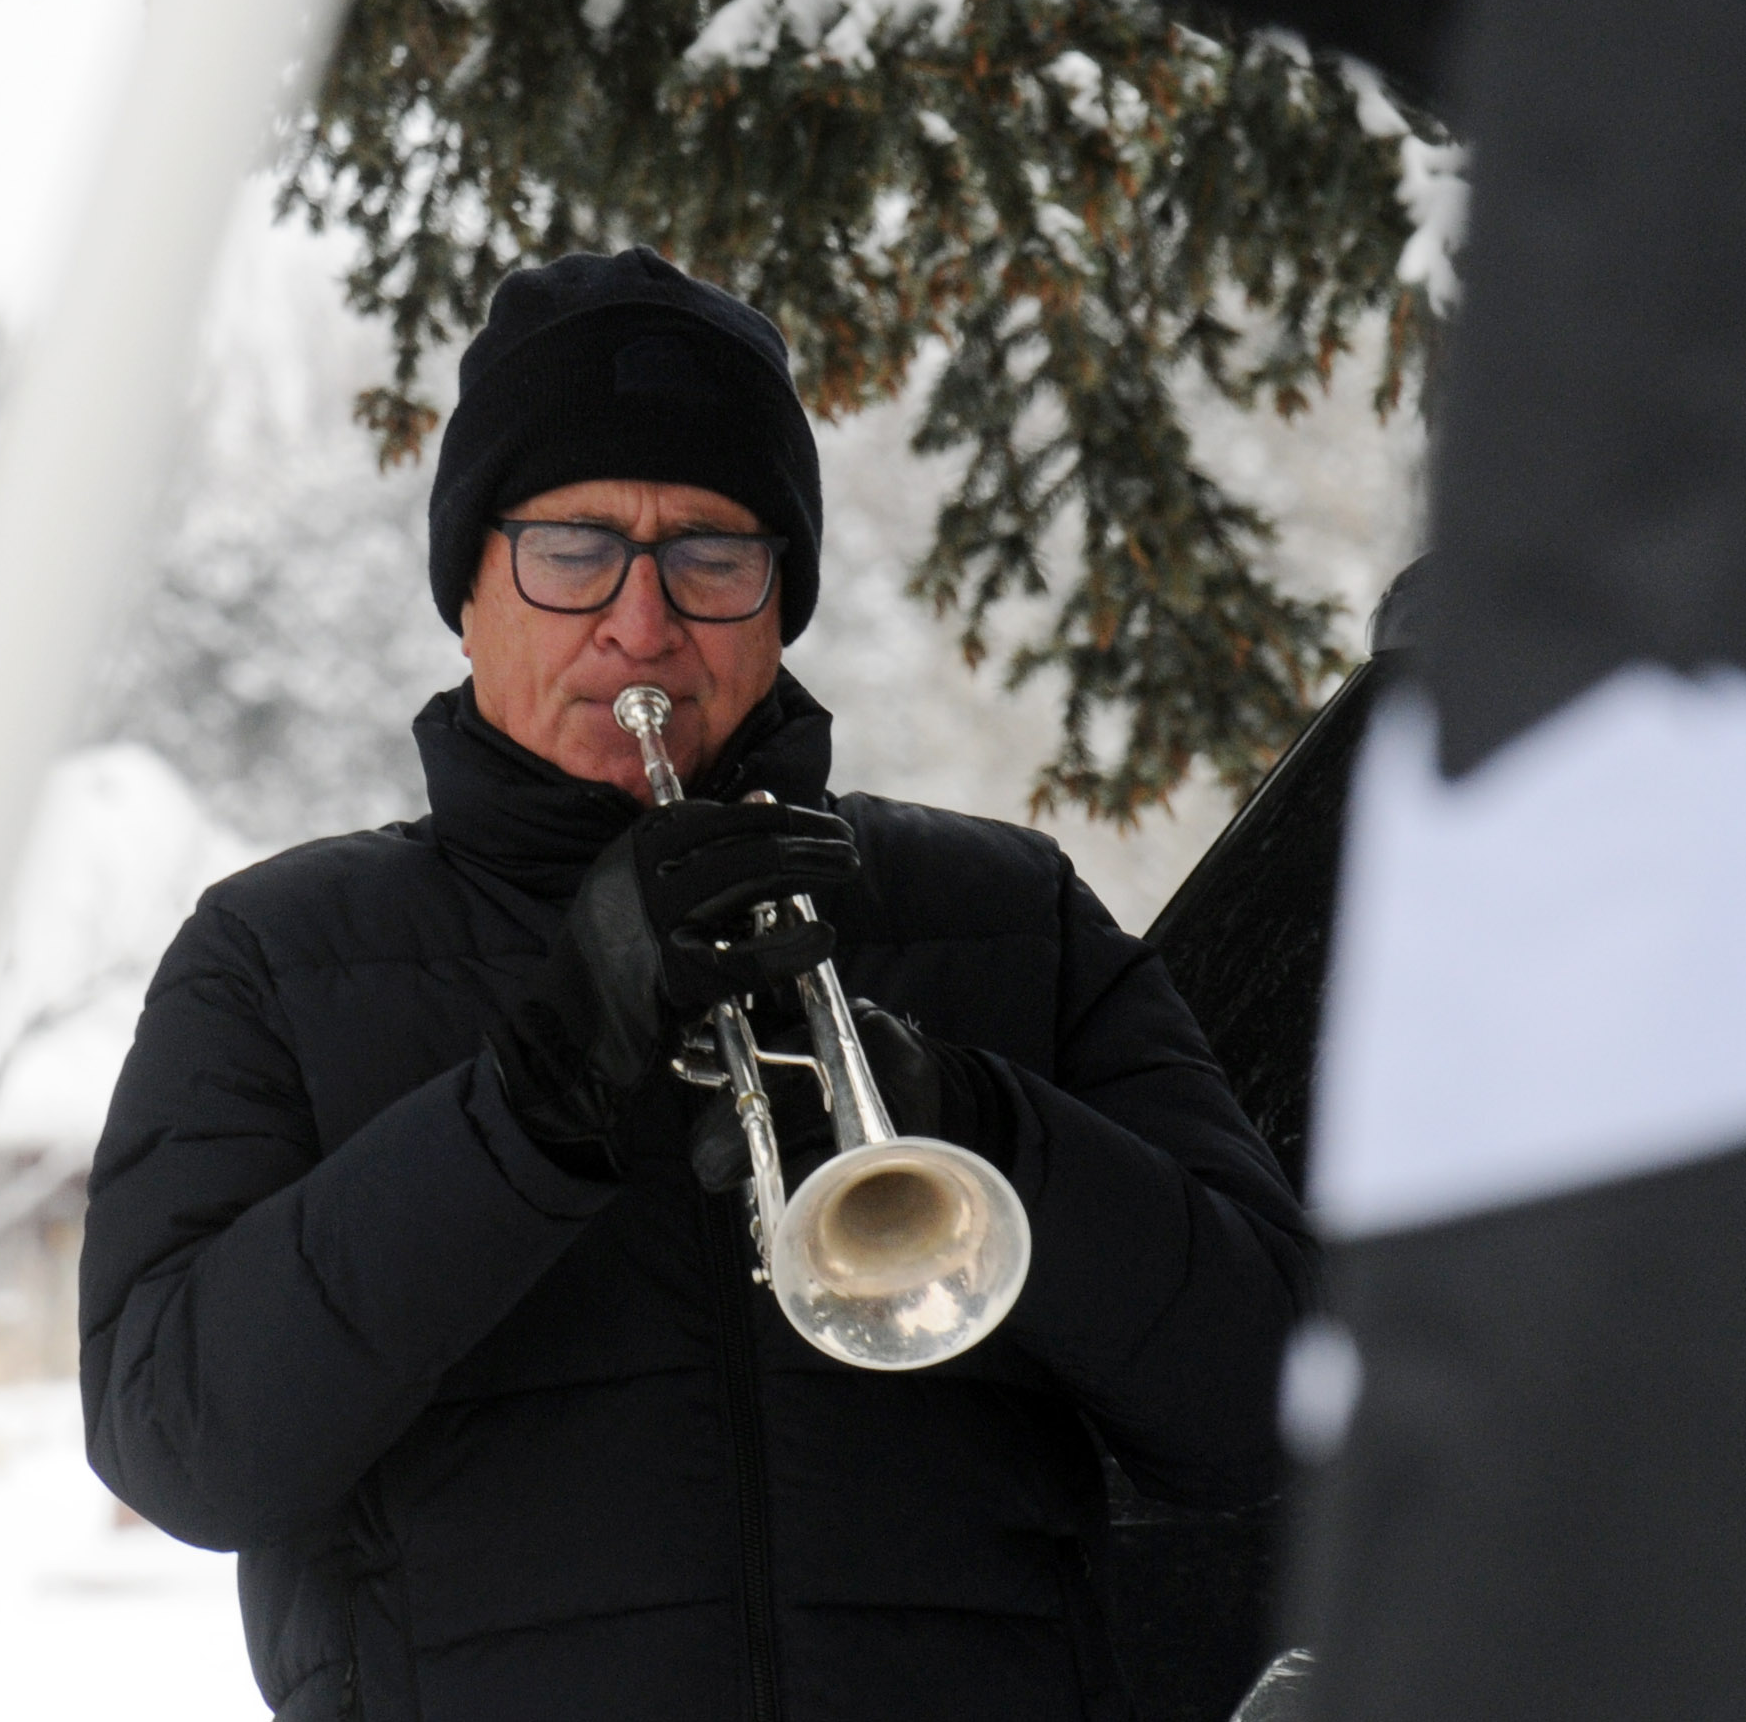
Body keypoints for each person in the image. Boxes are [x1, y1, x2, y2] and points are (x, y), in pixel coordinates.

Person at [79, 247, 1314, 1722]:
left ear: (779, 598)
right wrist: (526, 1108)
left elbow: (1272, 1404)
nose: (641, 623)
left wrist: (976, 1117)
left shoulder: (1010, 918)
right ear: (467, 584)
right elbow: (178, 1444)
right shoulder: (275, 955)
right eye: (572, 548)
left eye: (710, 556)